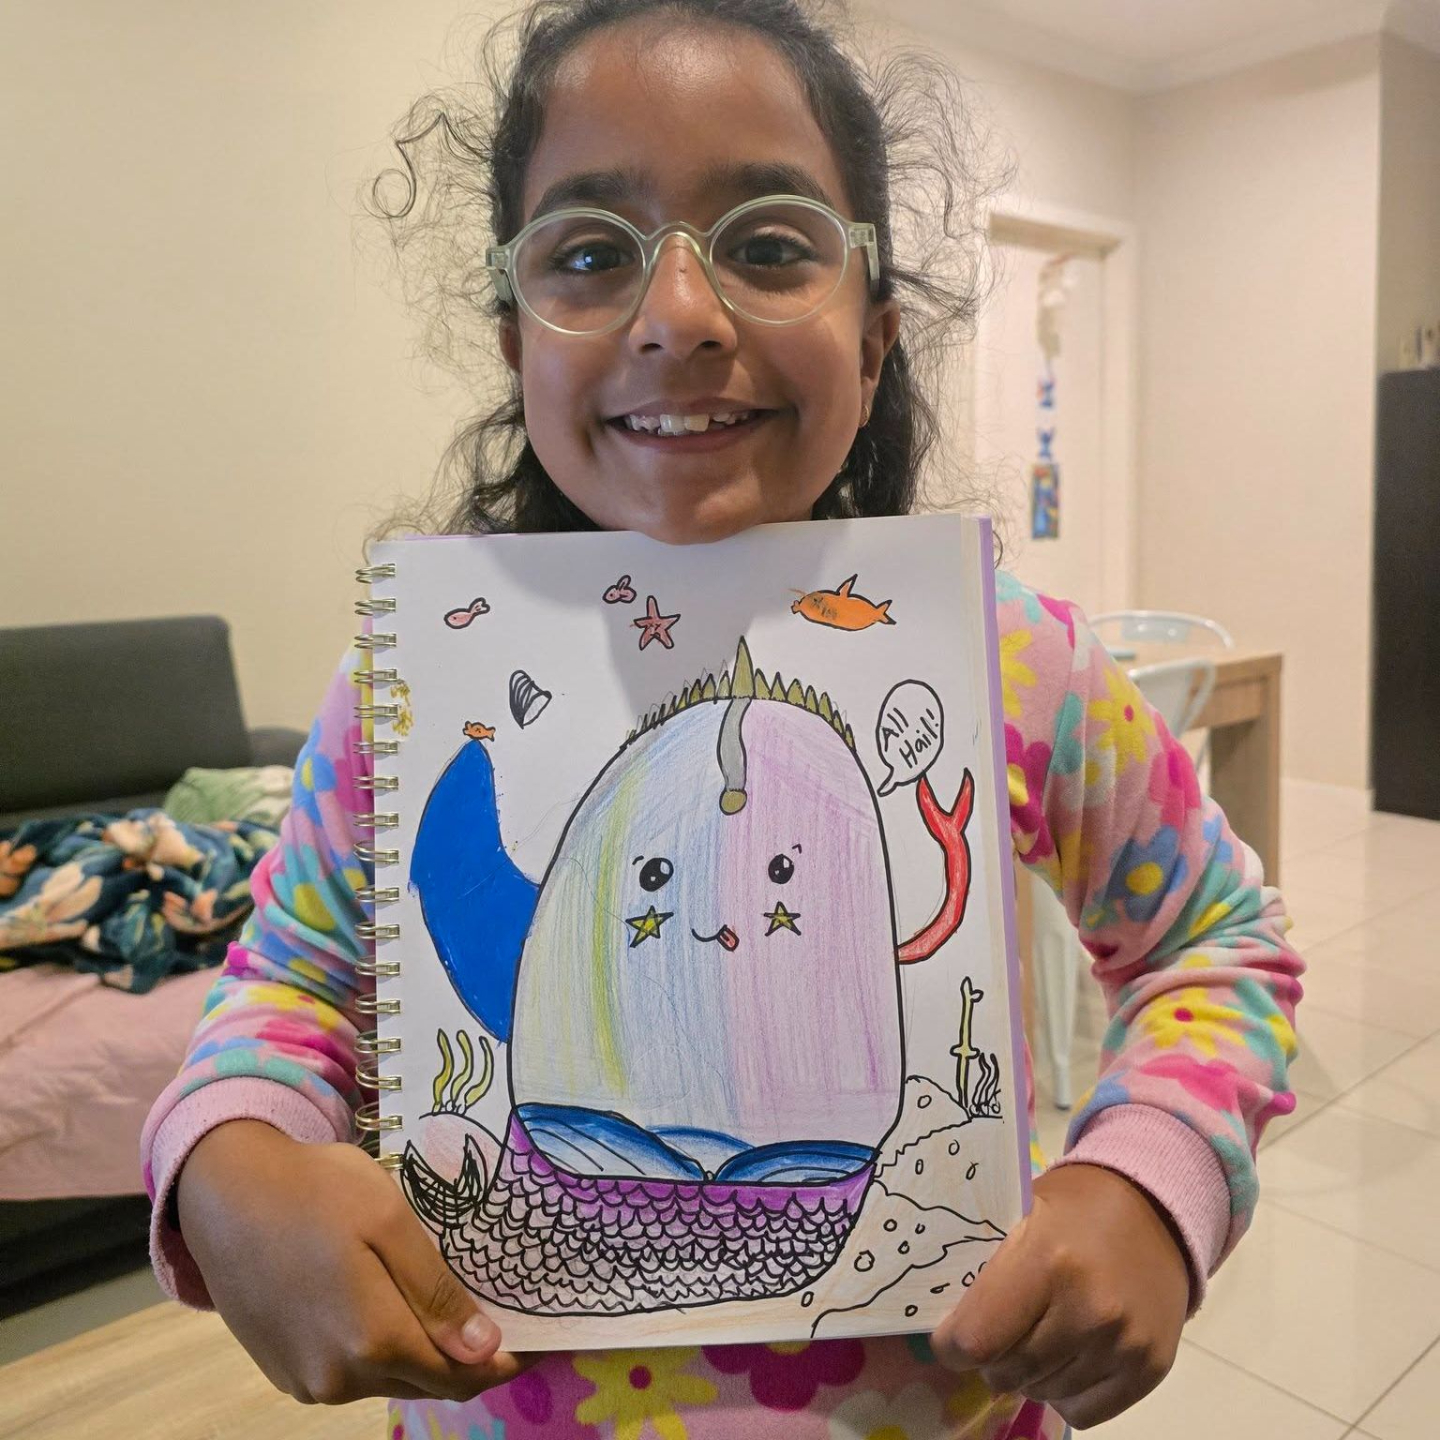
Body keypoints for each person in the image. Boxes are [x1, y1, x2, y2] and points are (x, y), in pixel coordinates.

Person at [140, 2, 1304, 1434]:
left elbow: (1215, 938)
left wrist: (1151, 1176)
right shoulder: (410, 687)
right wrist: (230, 1158)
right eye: (588, 254)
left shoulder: (1013, 659)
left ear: (872, 340)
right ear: (515, 342)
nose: (680, 313)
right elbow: (293, 981)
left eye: (769, 245)